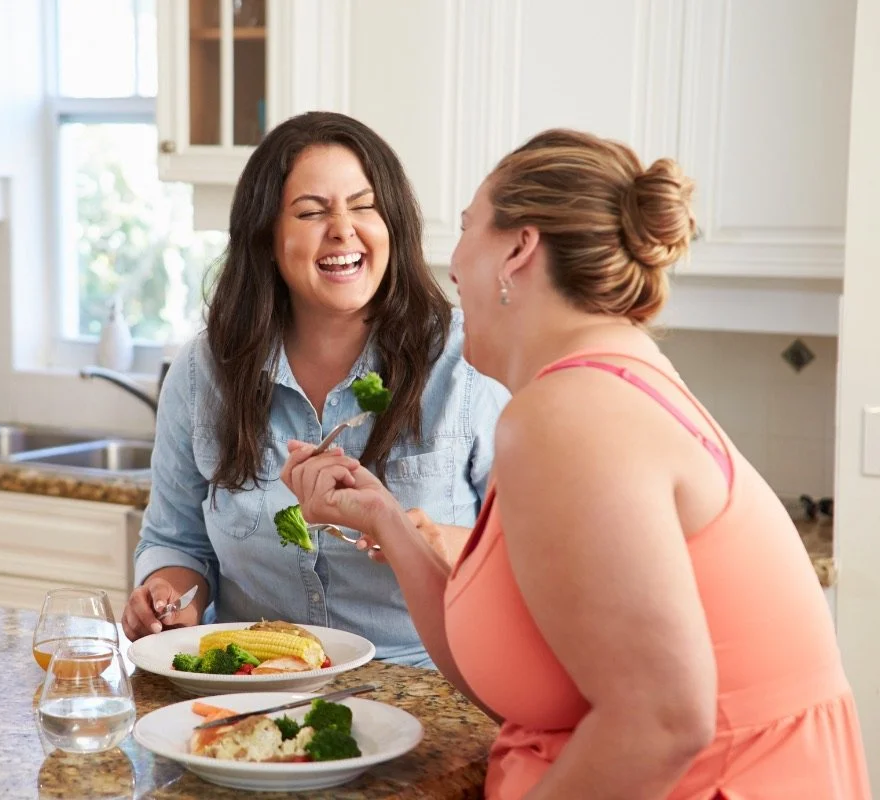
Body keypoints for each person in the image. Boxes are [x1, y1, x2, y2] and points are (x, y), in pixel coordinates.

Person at [281, 129, 870, 796]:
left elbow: (663, 721)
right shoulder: (589, 389)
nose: (451, 263)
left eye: (469, 227)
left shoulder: (570, 415)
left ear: (518, 249)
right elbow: (522, 682)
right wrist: (384, 517)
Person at [121, 111, 508, 667]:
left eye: (364, 205)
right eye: (311, 212)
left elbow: (528, 557)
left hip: (427, 682)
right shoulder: (204, 371)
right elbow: (178, 542)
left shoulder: (466, 363)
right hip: (255, 686)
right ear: (268, 239)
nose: (343, 230)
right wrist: (167, 595)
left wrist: (419, 538)